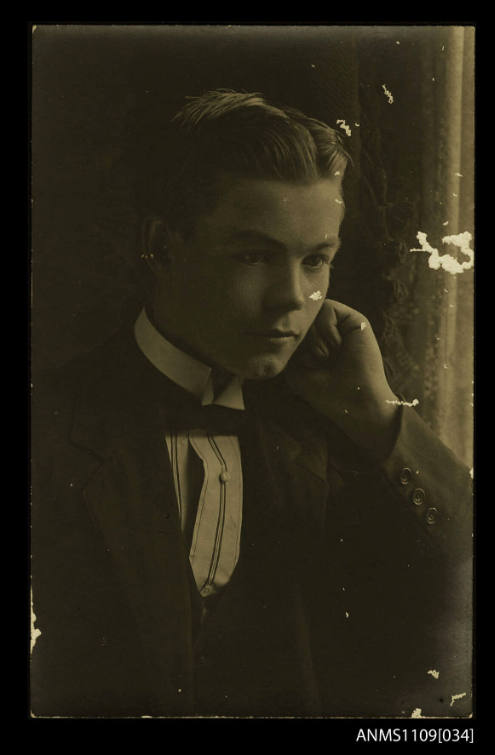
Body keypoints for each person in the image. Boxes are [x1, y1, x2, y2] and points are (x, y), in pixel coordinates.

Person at [31, 90, 472, 718]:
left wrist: (376, 416)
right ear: (161, 244)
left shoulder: (339, 424)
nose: (291, 298)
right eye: (254, 256)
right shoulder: (51, 427)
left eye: (316, 260)